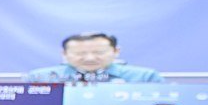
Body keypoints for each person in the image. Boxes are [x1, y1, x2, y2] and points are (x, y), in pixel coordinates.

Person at [26, 32, 163, 84]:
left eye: (99, 52)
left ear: (116, 51)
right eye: (80, 54)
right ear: (64, 54)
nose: (90, 58)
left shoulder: (146, 77)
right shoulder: (39, 78)